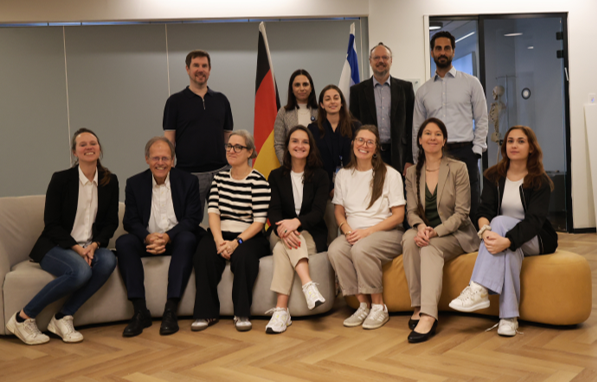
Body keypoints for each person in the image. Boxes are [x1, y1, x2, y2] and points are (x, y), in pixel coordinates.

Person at [7, 128, 118, 345]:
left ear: (99, 149)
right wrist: (78, 249)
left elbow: (110, 222)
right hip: (55, 246)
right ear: (75, 152)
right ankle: (23, 318)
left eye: (92, 143)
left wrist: (94, 246)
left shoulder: (109, 181)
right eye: (83, 144)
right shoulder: (61, 180)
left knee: (108, 261)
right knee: (80, 271)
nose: (88, 147)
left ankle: (63, 317)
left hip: (90, 246)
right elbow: (52, 224)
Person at [449, 125, 557, 337]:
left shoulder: (540, 181)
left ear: (531, 148)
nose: (514, 145)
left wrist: (506, 240)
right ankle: (508, 317)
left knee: (500, 226)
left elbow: (535, 221)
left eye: (520, 141)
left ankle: (478, 287)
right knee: (506, 250)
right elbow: (483, 211)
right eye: (510, 141)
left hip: (534, 238)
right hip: (503, 239)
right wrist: (485, 232)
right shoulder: (493, 176)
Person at [401, 118, 479, 343]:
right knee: (408, 240)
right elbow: (412, 210)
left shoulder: (458, 168)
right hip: (425, 229)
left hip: (456, 234)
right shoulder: (412, 172)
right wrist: (421, 227)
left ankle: (428, 315)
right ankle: (416, 305)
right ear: (420, 139)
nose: (432, 138)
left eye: (437, 134)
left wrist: (435, 232)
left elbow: (462, 214)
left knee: (430, 247)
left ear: (444, 140)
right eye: (427, 133)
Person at [116, 137, 201, 337]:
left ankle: (171, 310)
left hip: (176, 239)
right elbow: (130, 221)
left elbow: (192, 218)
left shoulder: (188, 181)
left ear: (173, 160)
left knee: (188, 238)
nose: (160, 163)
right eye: (155, 158)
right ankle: (139, 311)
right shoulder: (134, 183)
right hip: (148, 239)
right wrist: (147, 237)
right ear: (147, 159)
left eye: (165, 158)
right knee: (124, 242)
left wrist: (168, 237)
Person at [192, 130, 271, 332]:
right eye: (229, 146)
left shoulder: (259, 181)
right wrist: (219, 241)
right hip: (220, 232)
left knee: (244, 258)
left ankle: (242, 313)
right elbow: (213, 213)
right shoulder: (218, 179)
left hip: (249, 236)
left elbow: (259, 222)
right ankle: (206, 313)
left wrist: (236, 242)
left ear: (250, 152)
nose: (232, 150)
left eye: (238, 147)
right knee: (203, 254)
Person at [328, 125, 405, 330]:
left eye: (370, 142)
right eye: (360, 140)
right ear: (353, 144)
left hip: (386, 233)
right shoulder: (343, 175)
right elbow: (338, 211)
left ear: (376, 147)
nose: (364, 145)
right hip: (354, 233)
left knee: (362, 248)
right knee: (335, 249)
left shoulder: (391, 174)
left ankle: (379, 307)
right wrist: (346, 230)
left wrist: (368, 232)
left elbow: (399, 216)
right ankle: (363, 304)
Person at [413, 31, 488, 228]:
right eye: (438, 48)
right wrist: (417, 159)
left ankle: (472, 251)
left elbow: (482, 118)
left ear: (453, 51)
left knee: (470, 204)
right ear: (432, 52)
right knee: (440, 203)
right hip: (435, 154)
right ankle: (444, 243)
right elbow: (417, 128)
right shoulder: (423, 91)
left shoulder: (471, 83)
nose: (443, 52)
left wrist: (477, 151)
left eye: (447, 48)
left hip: (466, 152)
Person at [265, 125, 330, 334]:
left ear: (310, 147)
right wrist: (286, 228)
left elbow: (319, 212)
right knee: (289, 240)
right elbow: (273, 212)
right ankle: (309, 285)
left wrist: (296, 223)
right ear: (287, 145)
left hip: (311, 232)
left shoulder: (320, 176)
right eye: (295, 141)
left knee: (282, 249)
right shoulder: (275, 176)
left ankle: (281, 311)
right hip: (280, 231)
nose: (299, 145)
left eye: (304, 142)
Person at [163, 49, 233, 211]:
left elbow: (228, 138)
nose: (200, 69)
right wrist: (169, 171)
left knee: (226, 222)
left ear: (209, 69)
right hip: (189, 175)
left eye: (204, 65)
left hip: (221, 174)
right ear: (187, 69)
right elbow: (169, 141)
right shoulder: (175, 102)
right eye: (196, 65)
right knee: (190, 225)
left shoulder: (221, 100)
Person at [350, 42, 415, 174]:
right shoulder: (357, 91)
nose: (381, 61)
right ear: (370, 61)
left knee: (396, 191)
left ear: (391, 60)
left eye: (385, 57)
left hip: (398, 155)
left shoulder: (405, 88)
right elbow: (353, 126)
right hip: (368, 153)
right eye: (376, 58)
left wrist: (409, 159)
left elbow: (411, 126)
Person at [308, 85, 361, 244]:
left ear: (342, 102)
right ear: (322, 105)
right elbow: (313, 162)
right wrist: (330, 188)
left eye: (336, 98)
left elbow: (360, 158)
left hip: (354, 186)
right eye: (327, 98)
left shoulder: (355, 126)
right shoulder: (313, 129)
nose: (332, 101)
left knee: (353, 228)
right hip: (325, 189)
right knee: (331, 225)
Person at [274, 69, 318, 163]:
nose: (301, 88)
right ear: (292, 89)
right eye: (297, 85)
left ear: (311, 88)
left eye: (305, 84)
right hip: (291, 167)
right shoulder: (283, 112)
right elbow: (279, 145)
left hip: (317, 166)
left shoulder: (320, 111)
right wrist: (288, 165)